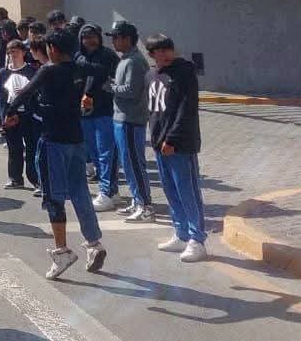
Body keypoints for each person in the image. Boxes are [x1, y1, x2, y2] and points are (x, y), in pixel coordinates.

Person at [6, 30, 105, 280]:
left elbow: (25, 92)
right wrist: (89, 94)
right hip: (76, 139)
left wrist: (9, 111)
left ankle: (61, 251)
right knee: (80, 192)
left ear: (53, 49)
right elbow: (100, 72)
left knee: (53, 197)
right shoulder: (80, 68)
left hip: (53, 141)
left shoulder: (49, 70)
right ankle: (94, 243)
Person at [146, 34, 208, 262]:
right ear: (151, 54)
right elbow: (153, 111)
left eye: (168, 49)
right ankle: (181, 233)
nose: (165, 54)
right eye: (159, 50)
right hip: (159, 144)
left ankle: (197, 239)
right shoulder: (151, 75)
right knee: (170, 190)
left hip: (180, 144)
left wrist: (172, 139)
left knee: (187, 191)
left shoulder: (184, 73)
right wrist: (156, 138)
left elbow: (186, 109)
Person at [105, 21, 155, 223]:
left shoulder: (134, 61)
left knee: (134, 164)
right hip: (122, 119)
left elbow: (132, 91)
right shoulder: (126, 59)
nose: (113, 41)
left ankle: (145, 206)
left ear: (127, 39)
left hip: (131, 120)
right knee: (127, 164)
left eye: (116, 37)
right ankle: (137, 200)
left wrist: (111, 87)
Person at [77, 24, 121, 211]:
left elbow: (102, 73)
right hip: (85, 113)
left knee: (106, 153)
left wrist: (82, 66)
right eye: (85, 37)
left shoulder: (107, 55)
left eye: (93, 36)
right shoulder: (79, 57)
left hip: (105, 111)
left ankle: (107, 192)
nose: (90, 40)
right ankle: (112, 190)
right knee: (94, 154)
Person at [0, 41, 40, 191]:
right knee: (14, 147)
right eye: (10, 52)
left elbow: (36, 93)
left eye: (16, 51)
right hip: (11, 114)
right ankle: (15, 178)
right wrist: (4, 117)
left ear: (23, 53)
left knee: (31, 148)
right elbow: (2, 97)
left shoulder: (31, 71)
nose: (13, 55)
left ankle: (36, 180)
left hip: (28, 114)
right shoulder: (4, 72)